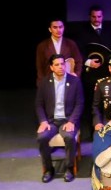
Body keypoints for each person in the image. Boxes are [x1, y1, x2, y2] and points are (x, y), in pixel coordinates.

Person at [35, 54, 84, 183]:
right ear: (51, 67)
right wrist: (43, 121)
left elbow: (80, 104)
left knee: (69, 137)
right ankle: (48, 169)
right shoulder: (44, 82)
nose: (61, 67)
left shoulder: (75, 81)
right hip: (50, 121)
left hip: (67, 120)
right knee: (42, 138)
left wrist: (72, 121)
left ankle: (69, 168)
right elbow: (39, 104)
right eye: (57, 65)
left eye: (62, 64)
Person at [73, 5, 111, 140]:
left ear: (102, 17)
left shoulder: (110, 31)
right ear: (89, 17)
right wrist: (87, 62)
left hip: (107, 74)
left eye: (99, 16)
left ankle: (109, 131)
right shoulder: (82, 32)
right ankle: (93, 133)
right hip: (90, 76)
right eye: (94, 16)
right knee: (91, 103)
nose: (96, 19)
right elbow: (77, 51)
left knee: (108, 102)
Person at [35, 17, 83, 86]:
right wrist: (41, 83)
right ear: (50, 29)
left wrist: (76, 75)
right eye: (55, 27)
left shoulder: (70, 44)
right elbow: (40, 66)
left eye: (60, 27)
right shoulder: (42, 46)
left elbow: (79, 61)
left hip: (67, 82)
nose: (58, 30)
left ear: (64, 28)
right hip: (49, 81)